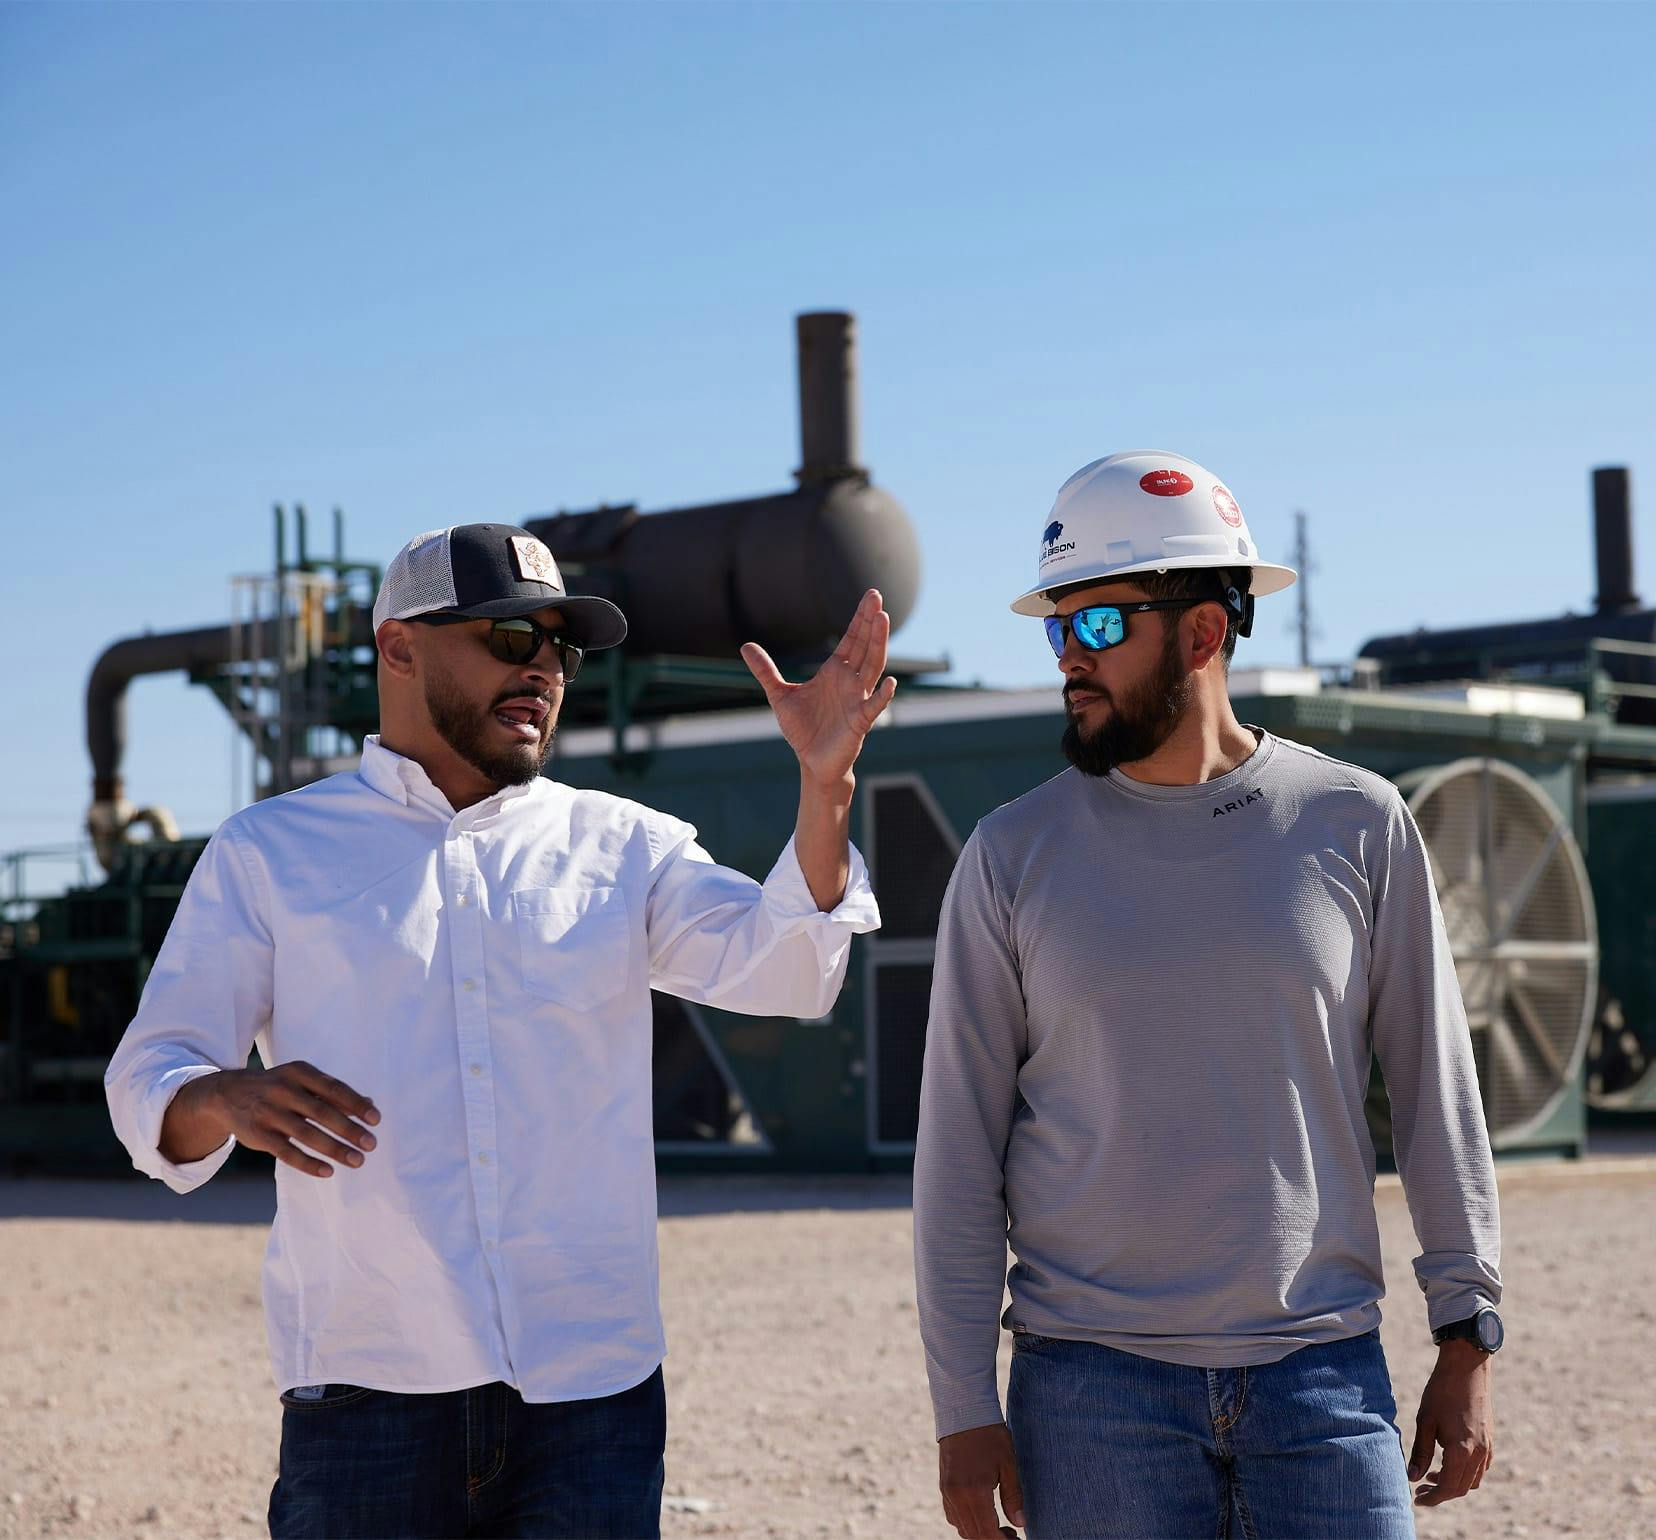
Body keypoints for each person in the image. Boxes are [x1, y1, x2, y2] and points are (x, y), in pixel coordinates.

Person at [105, 522, 893, 1539]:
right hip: (368, 1391)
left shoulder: (623, 846)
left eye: (560, 648)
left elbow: (787, 966)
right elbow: (149, 1071)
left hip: (593, 1397)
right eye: (510, 637)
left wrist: (823, 786)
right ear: (399, 645)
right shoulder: (271, 853)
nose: (544, 671)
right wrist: (217, 1095)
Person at [913, 451, 1501, 1540]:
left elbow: (1437, 1101)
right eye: (1056, 629)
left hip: (1325, 1384)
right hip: (1090, 1395)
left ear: (1200, 633)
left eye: (1096, 628)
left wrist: (1467, 1335)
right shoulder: (1010, 855)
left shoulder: (1358, 824)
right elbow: (957, 1156)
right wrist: (962, 1409)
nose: (1067, 662)